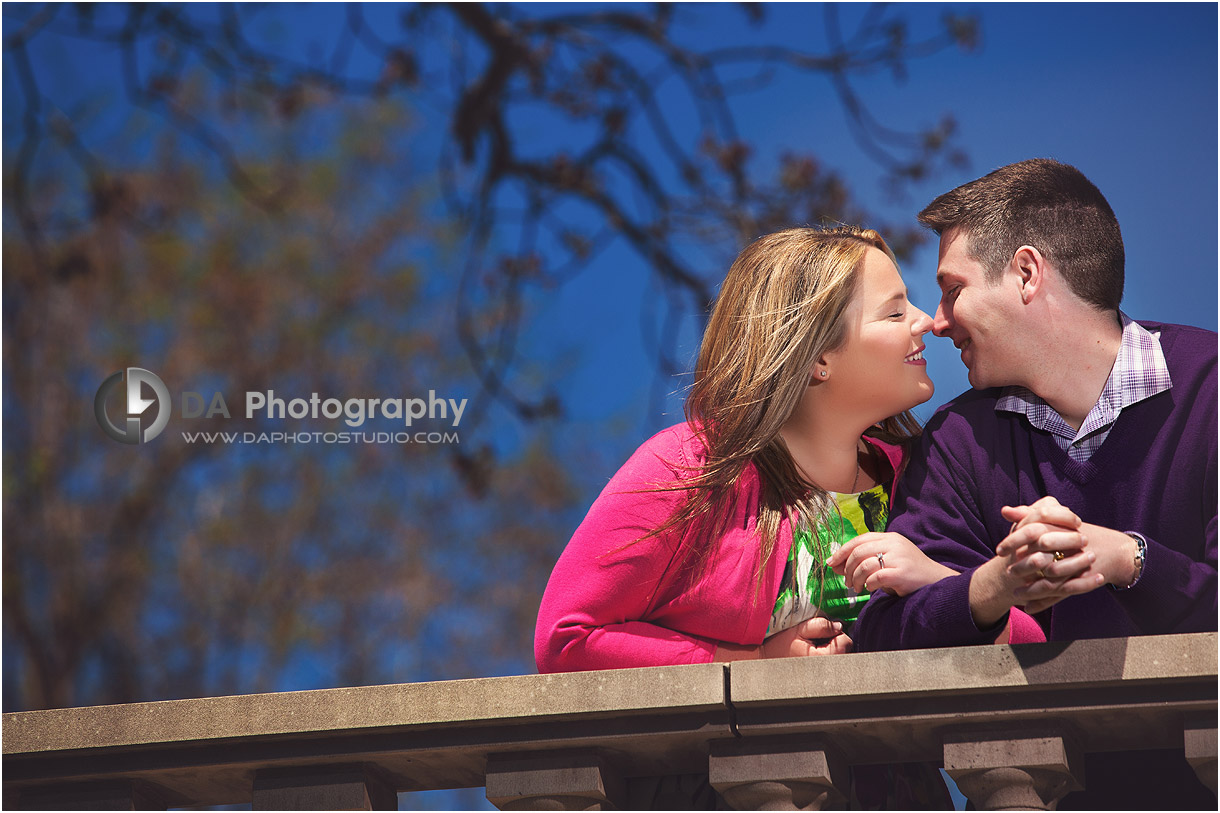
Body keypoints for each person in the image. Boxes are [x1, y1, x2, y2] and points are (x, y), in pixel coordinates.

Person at [849, 159, 1216, 808]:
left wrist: (1128, 560)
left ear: (1025, 272)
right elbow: (882, 636)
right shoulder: (959, 440)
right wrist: (996, 585)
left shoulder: (1210, 391)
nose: (937, 322)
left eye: (951, 289)